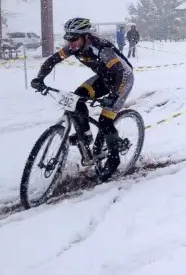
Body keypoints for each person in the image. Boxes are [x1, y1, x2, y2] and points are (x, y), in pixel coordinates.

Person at [30, 17, 134, 181]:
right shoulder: (73, 47)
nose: (70, 43)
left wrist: (113, 95)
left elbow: (119, 73)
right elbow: (53, 60)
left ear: (86, 36)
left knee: (105, 121)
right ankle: (85, 135)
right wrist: (40, 79)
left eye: (74, 39)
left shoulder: (101, 48)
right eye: (68, 39)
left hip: (122, 80)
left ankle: (114, 160)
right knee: (75, 99)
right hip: (104, 78)